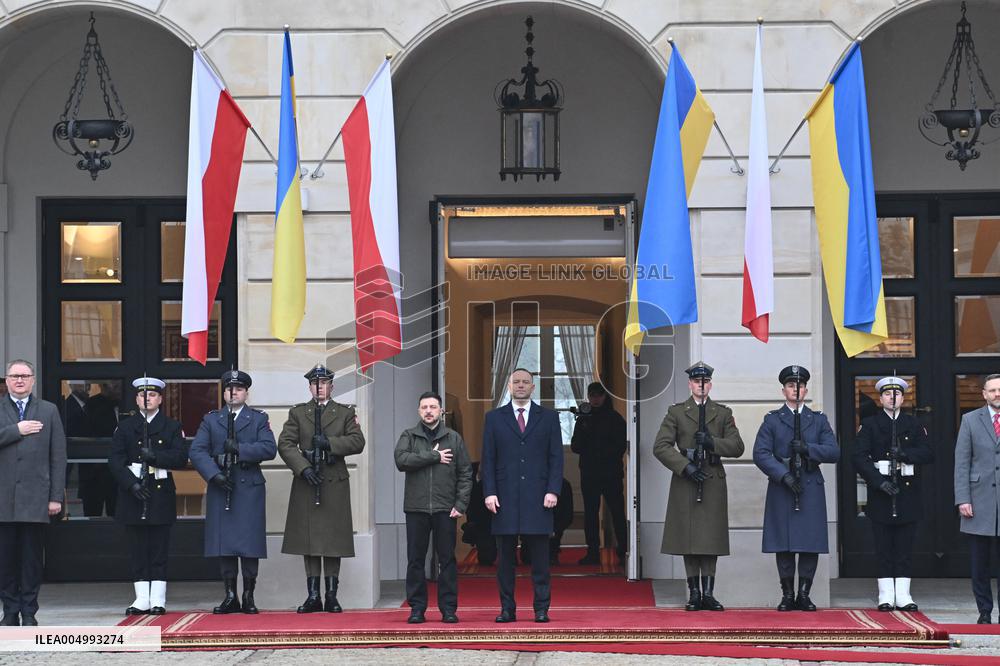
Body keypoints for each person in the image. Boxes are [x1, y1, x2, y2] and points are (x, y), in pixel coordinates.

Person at [653, 362, 744, 611]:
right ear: (690, 384)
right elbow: (660, 446)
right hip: (687, 479)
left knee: (710, 539)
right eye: (696, 381)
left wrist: (713, 443)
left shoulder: (722, 413)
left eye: (705, 381)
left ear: (710, 384)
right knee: (689, 538)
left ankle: (709, 593)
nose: (701, 385)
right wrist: (685, 466)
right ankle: (694, 592)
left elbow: (737, 447)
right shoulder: (677, 412)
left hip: (712, 479)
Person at [278, 364, 366, 614]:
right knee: (310, 540)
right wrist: (303, 467)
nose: (319, 387)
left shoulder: (344, 413)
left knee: (332, 541)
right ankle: (313, 595)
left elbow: (357, 441)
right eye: (315, 384)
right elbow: (285, 444)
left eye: (324, 383)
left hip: (333, 481)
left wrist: (329, 443)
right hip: (308, 481)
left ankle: (331, 595)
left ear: (331, 386)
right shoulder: (298, 413)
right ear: (309, 387)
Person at [189, 370, 277, 614]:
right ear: (224, 392)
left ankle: (248, 595)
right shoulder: (211, 419)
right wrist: (214, 474)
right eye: (229, 389)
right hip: (222, 484)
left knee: (249, 544)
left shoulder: (258, 419)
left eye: (238, 389)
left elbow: (269, 448)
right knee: (224, 543)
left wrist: (239, 448)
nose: (233, 392)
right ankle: (230, 595)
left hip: (248, 487)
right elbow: (197, 451)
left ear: (246, 392)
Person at [753, 365, 839, 611]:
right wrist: (783, 476)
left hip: (810, 485)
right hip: (783, 487)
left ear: (806, 389)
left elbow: (833, 451)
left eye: (800, 385)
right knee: (784, 542)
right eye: (791, 385)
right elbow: (760, 453)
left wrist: (809, 449)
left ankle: (804, 594)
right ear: (784, 390)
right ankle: (787, 594)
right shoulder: (772, 420)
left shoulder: (818, 420)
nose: (796, 389)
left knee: (809, 542)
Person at [481, 368, 563, 624]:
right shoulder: (494, 418)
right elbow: (489, 458)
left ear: (533, 387)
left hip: (539, 497)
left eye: (525, 382)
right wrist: (489, 492)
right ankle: (507, 609)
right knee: (505, 561)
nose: (520, 385)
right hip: (503, 498)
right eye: (516, 382)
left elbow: (556, 458)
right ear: (508, 386)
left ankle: (541, 608)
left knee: (540, 559)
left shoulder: (548, 418)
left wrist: (553, 490)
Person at [107, 377, 188, 615]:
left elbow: (180, 458)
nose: (147, 399)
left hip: (160, 492)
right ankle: (141, 598)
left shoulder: (171, 426)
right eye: (142, 395)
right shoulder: (125, 427)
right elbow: (115, 460)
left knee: (159, 548)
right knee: (137, 548)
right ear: (136, 399)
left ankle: (158, 599)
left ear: (160, 399)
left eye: (152, 395)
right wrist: (131, 485)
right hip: (133, 493)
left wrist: (156, 457)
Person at [852, 376, 933, 613]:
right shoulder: (870, 424)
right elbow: (858, 456)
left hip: (907, 492)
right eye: (888, 394)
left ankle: (904, 594)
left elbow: (928, 453)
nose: (892, 398)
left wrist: (906, 454)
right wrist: (877, 482)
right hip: (882, 491)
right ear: (881, 398)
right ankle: (886, 594)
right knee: (884, 546)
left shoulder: (914, 423)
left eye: (897, 394)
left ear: (903, 398)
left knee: (905, 547)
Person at [394, 391, 472, 624]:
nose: (428, 411)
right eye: (424, 407)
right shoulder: (409, 436)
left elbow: (466, 473)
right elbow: (401, 461)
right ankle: (417, 608)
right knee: (415, 559)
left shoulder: (453, 438)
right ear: (419, 411)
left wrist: (461, 504)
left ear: (441, 411)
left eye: (433, 407)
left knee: (447, 560)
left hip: (445, 508)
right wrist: (433, 456)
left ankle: (448, 609)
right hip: (416, 508)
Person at [0, 360, 66, 626]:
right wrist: (16, 430)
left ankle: (29, 612)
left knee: (30, 560)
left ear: (33, 380)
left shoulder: (48, 411)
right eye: (14, 376)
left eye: (24, 376)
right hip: (3, 499)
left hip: (36, 499)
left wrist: (55, 497)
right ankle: (10, 611)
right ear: (6, 380)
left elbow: (58, 456)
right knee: (5, 560)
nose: (19, 380)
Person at [955, 373, 1000, 624]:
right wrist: (963, 498)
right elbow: (962, 463)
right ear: (983, 394)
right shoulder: (970, 420)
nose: (997, 394)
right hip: (978, 501)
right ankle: (984, 611)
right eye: (992, 390)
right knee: (980, 565)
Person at [570, 382, 627, 565]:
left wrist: (598, 452)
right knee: (591, 514)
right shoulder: (583, 419)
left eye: (598, 395)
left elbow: (619, 447)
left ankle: (623, 550)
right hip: (590, 473)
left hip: (610, 472)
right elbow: (575, 446)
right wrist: (584, 425)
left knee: (617, 512)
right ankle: (592, 552)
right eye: (592, 395)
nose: (595, 399)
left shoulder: (615, 419)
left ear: (604, 396)